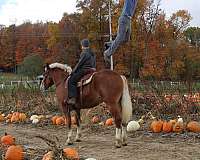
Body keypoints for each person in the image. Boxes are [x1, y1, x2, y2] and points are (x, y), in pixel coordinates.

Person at [104, 0, 138, 67]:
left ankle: (109, 44)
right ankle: (107, 53)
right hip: (124, 18)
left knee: (126, 39)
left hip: (129, 20)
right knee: (120, 37)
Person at [67, 39, 96, 105]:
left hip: (85, 70)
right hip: (93, 70)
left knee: (71, 80)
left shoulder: (84, 53)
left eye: (81, 45)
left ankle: (73, 98)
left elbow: (80, 63)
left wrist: (73, 71)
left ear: (82, 45)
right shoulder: (92, 53)